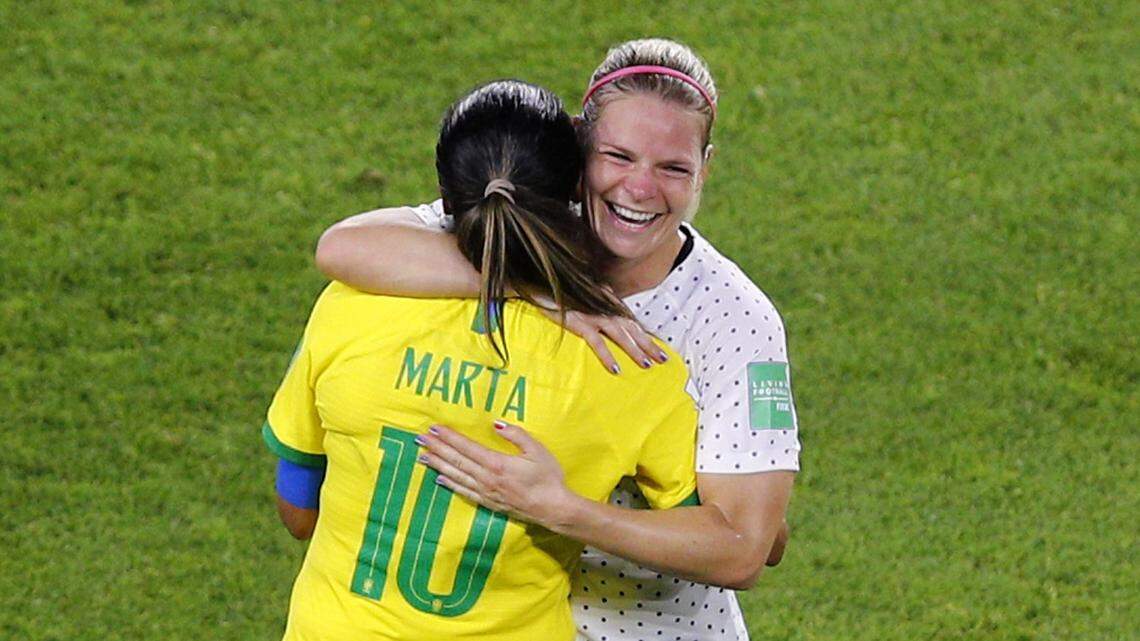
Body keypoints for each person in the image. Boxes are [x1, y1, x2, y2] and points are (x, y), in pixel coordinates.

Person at [316, 39, 801, 641]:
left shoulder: (734, 320)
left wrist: (561, 508)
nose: (641, 189)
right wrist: (537, 292)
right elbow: (342, 247)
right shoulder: (515, 221)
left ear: (705, 167)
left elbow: (748, 549)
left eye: (673, 167)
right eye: (618, 156)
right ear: (578, 145)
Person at [263, 79, 701, 641]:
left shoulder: (353, 304)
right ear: (576, 187)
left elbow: (298, 510)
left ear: (444, 199)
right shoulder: (628, 363)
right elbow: (724, 542)